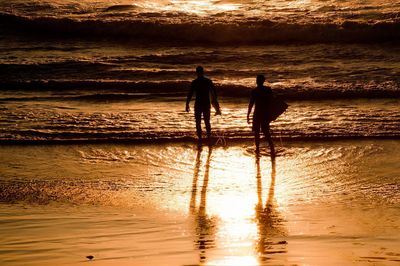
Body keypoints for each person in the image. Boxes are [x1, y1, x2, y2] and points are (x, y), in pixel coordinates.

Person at [186, 66, 221, 140]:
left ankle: (200, 138)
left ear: (196, 72)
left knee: (198, 122)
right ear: (203, 72)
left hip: (198, 104)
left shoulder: (195, 82)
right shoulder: (208, 81)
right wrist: (216, 106)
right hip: (206, 104)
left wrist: (187, 104)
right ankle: (208, 137)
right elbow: (214, 94)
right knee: (207, 121)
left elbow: (190, 94)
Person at [247, 74, 275, 155]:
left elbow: (251, 104)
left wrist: (248, 115)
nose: (256, 81)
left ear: (258, 81)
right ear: (263, 81)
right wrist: (272, 114)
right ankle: (271, 147)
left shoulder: (254, 91)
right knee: (266, 131)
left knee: (256, 132)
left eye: (257, 80)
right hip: (265, 113)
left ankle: (257, 148)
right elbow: (272, 102)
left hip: (257, 113)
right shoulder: (268, 90)